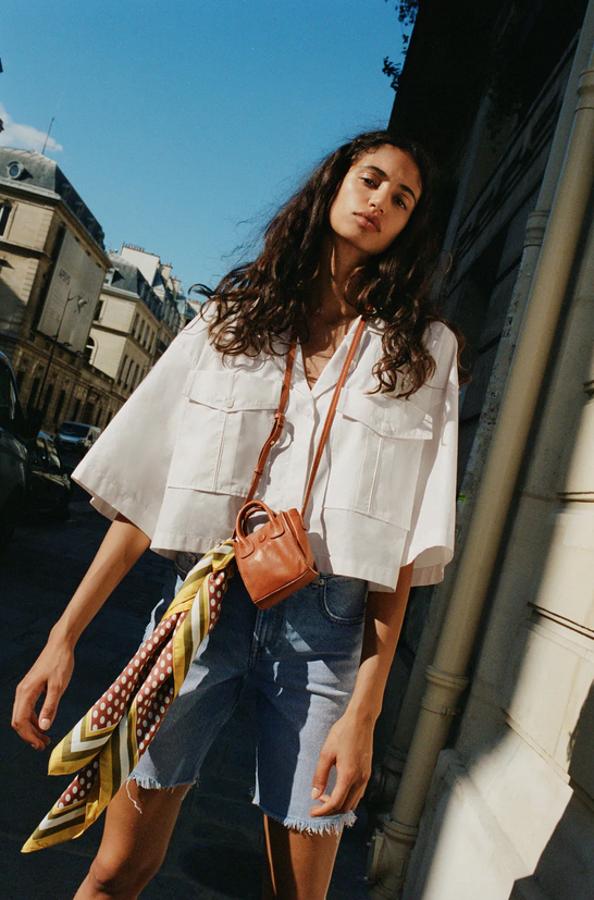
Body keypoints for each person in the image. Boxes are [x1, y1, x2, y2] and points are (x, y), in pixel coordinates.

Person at [12, 129, 463, 899]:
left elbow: (400, 553)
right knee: (116, 870)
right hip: (201, 607)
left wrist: (366, 710)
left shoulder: (421, 353)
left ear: (410, 225)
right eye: (371, 179)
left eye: (403, 198)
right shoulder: (230, 320)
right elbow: (148, 496)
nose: (381, 202)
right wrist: (64, 636)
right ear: (332, 187)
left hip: (326, 634)